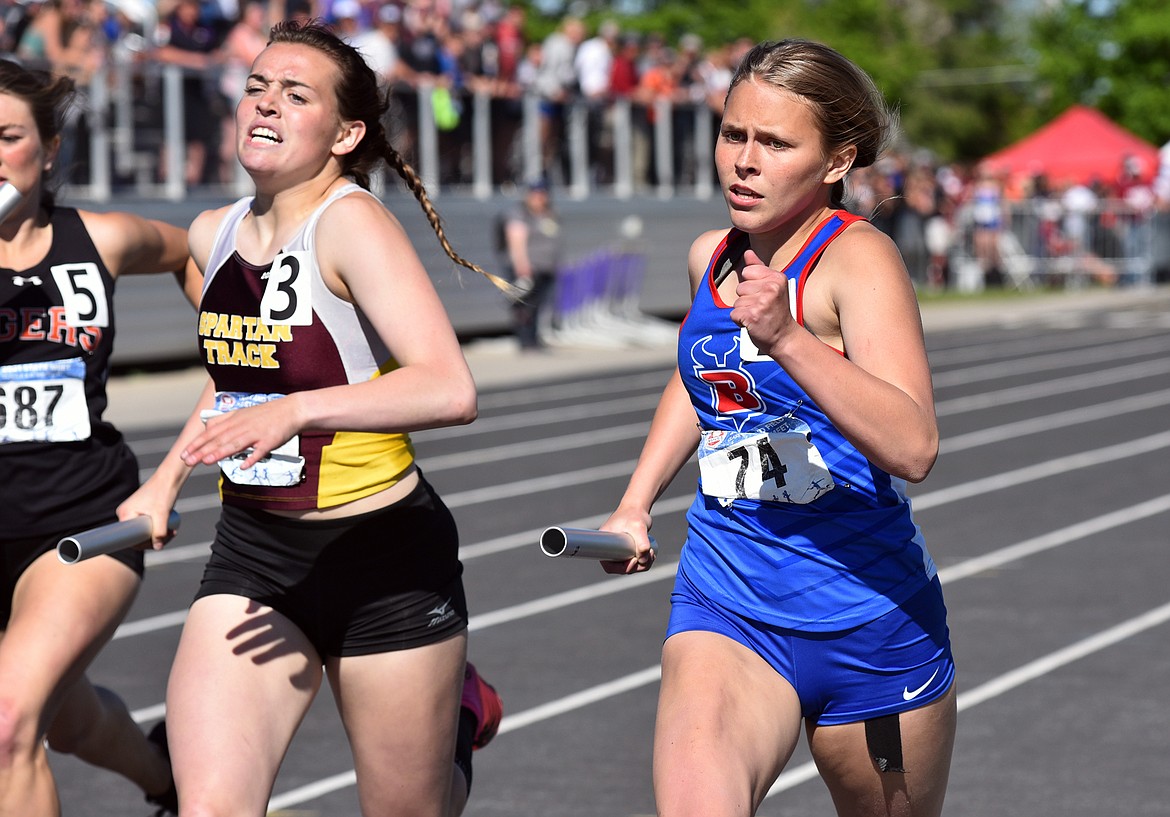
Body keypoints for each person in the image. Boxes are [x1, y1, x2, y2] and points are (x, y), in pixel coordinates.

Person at [117, 20, 503, 817]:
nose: (266, 104)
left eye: (296, 95)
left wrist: (301, 411)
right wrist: (165, 479)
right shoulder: (211, 231)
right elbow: (240, 377)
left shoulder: (352, 224)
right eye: (257, 86)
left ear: (345, 132)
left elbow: (447, 387)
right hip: (254, 555)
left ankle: (461, 717)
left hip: (382, 559)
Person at [600, 39, 957, 817]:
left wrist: (789, 337)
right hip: (726, 601)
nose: (744, 162)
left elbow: (914, 445)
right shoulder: (712, 256)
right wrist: (636, 500)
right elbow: (700, 377)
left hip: (865, 616)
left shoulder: (859, 261)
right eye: (734, 134)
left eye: (775, 143)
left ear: (837, 161)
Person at [0, 59, 198, 817]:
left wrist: (238, 380)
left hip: (78, 523)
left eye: (7, 136)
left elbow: (194, 257)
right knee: (69, 718)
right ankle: (165, 775)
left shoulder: (102, 239)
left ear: (48, 149)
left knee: (10, 721)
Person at [500, 177, 563, 350]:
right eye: (536, 194)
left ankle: (534, 338)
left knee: (539, 305)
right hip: (527, 269)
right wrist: (522, 268)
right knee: (524, 307)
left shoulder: (549, 213)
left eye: (542, 194)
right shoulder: (520, 214)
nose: (540, 198)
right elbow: (516, 242)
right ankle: (526, 341)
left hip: (546, 268)